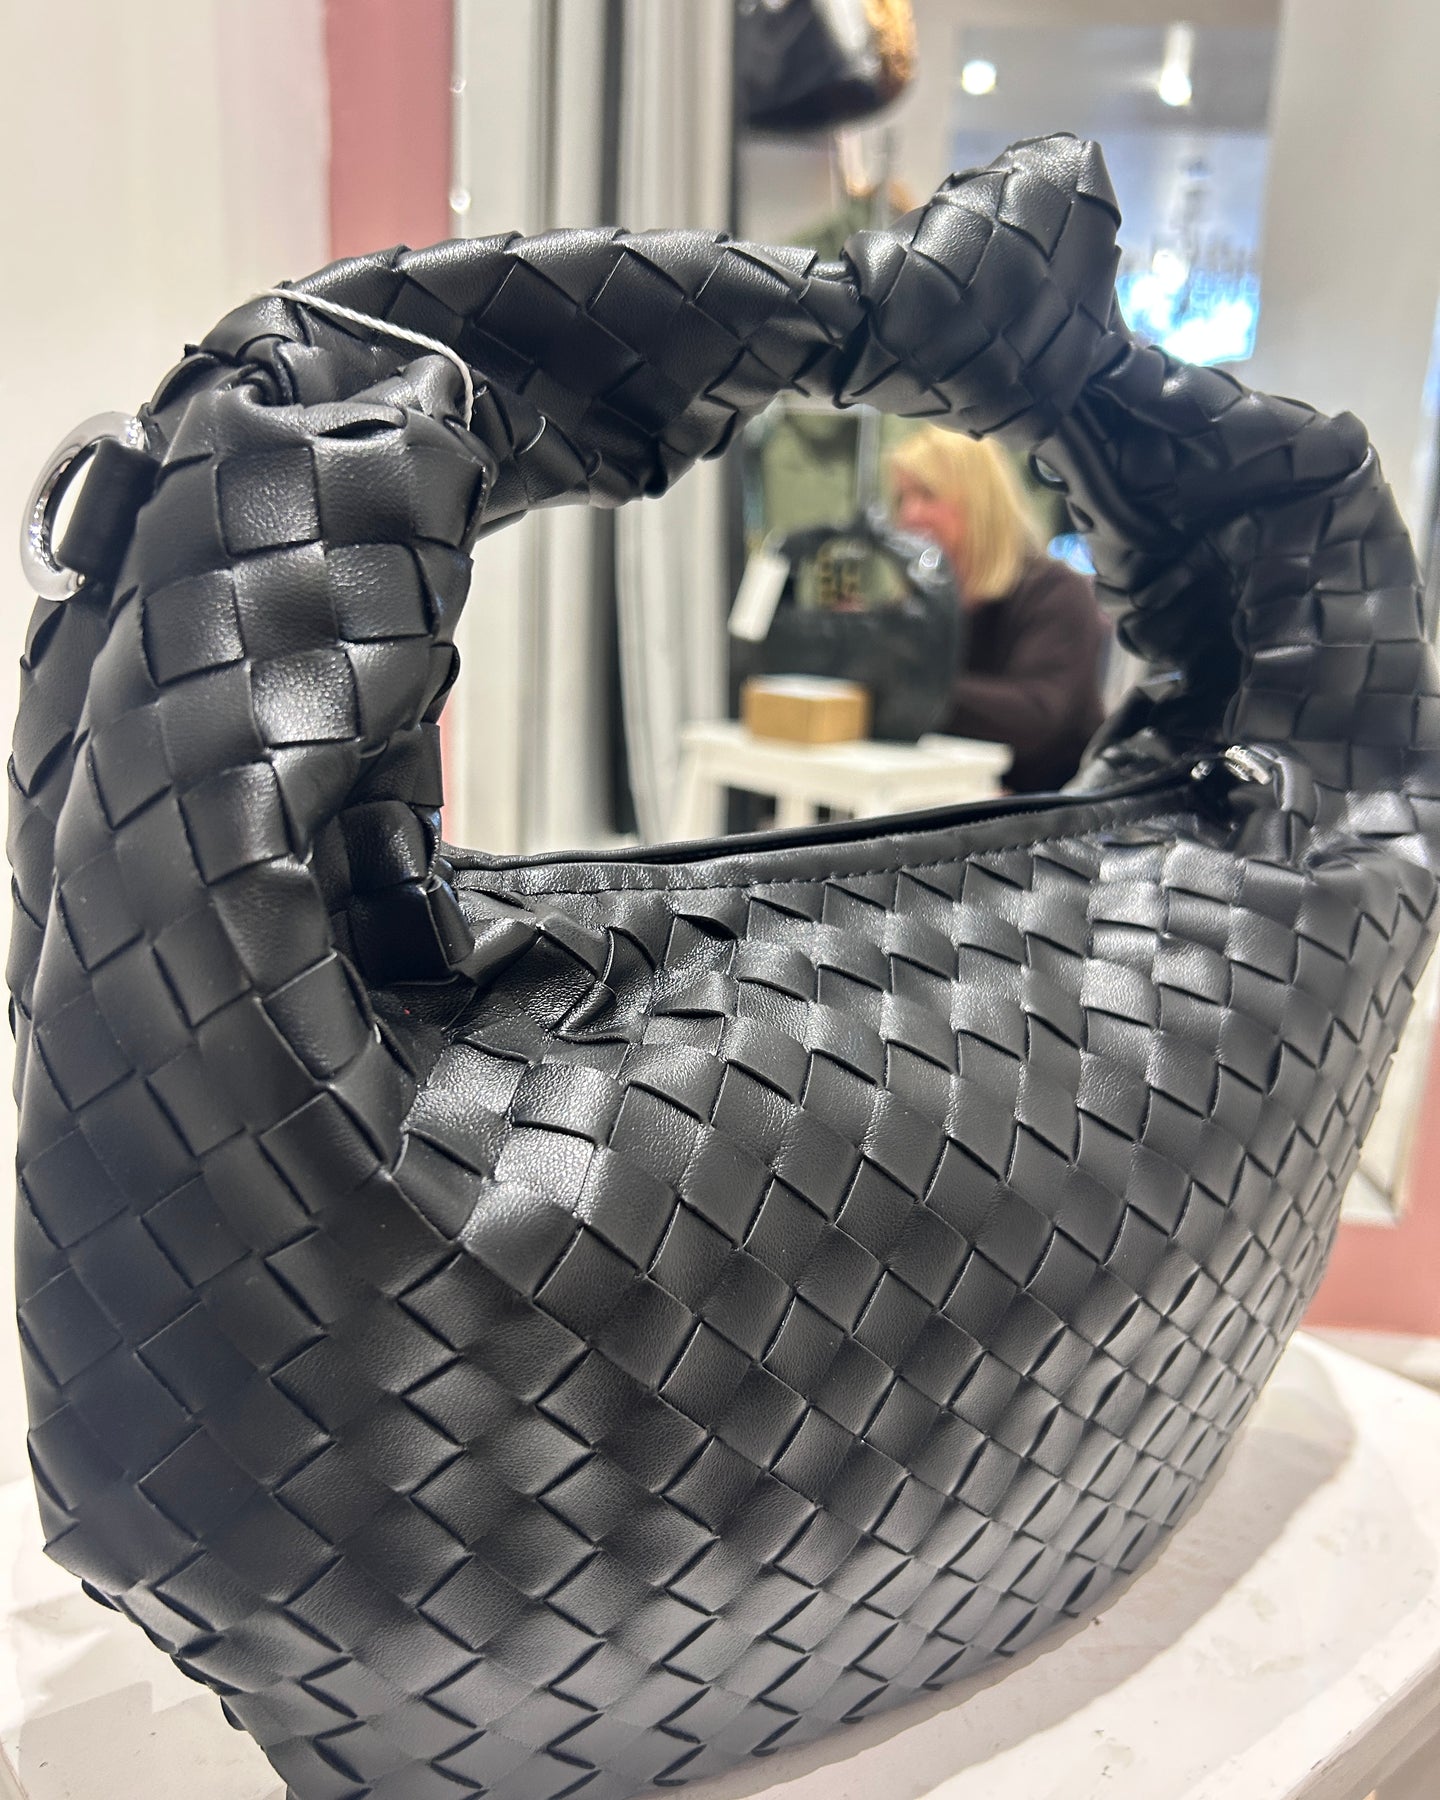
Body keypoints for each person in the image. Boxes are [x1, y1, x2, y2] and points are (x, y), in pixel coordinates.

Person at [889, 426, 1109, 792]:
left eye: (928, 494)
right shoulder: (918, 605)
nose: (909, 515)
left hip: (1046, 807)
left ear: (979, 502)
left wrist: (909, 685)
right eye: (901, 498)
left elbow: (1036, 717)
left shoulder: (1054, 592)